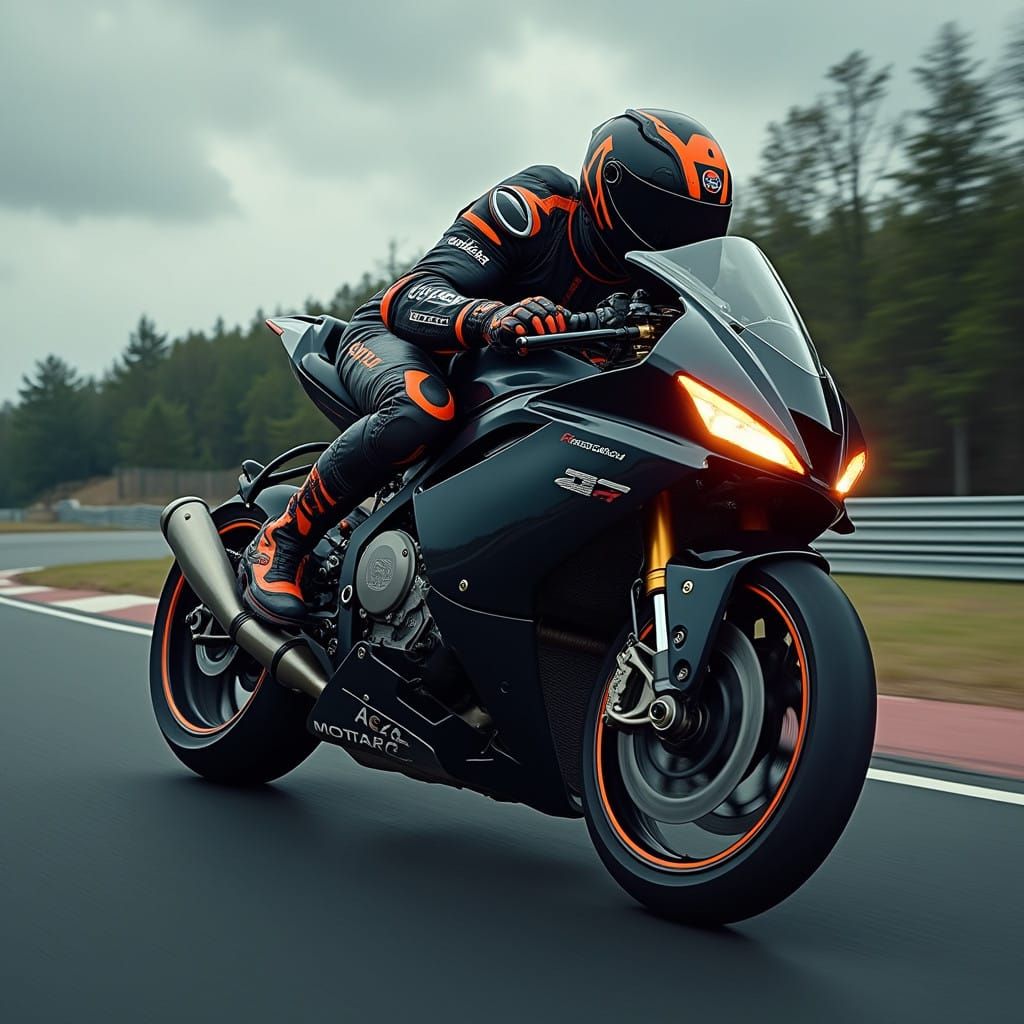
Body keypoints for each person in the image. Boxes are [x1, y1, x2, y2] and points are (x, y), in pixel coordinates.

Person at [240, 108, 733, 625]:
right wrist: (491, 315)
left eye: (699, 225)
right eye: (669, 218)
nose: (681, 237)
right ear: (613, 190)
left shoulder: (668, 288)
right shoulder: (535, 205)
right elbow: (408, 297)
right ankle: (283, 541)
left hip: (527, 397)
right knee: (420, 409)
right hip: (403, 342)